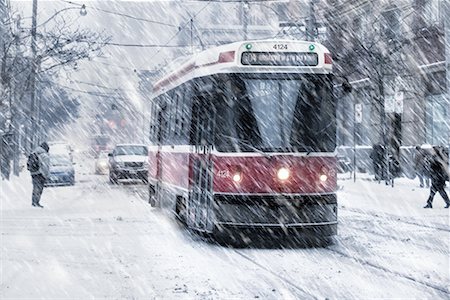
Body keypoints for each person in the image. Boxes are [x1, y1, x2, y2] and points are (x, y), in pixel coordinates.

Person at [29, 142, 50, 208]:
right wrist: (46, 175)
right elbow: (45, 166)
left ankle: (34, 202)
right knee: (39, 188)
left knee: (35, 187)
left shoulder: (34, 152)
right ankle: (36, 202)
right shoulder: (44, 155)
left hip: (33, 173)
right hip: (40, 173)